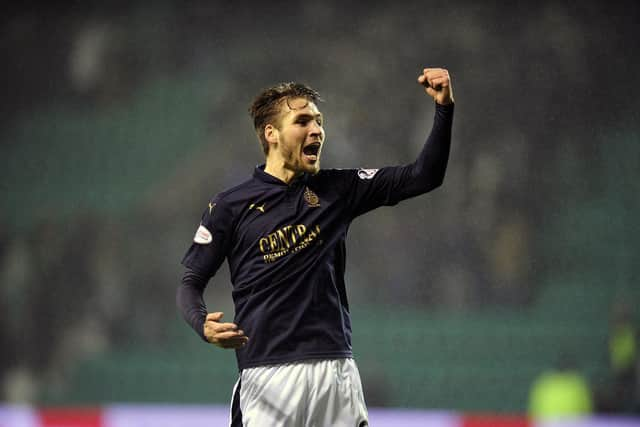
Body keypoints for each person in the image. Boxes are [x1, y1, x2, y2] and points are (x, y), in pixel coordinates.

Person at [177, 67, 454, 426]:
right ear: (271, 133)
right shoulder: (230, 206)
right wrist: (202, 325)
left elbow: (424, 176)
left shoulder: (339, 189)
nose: (317, 130)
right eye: (303, 120)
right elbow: (190, 281)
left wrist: (444, 108)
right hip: (268, 377)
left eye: (319, 121)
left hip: (335, 373)